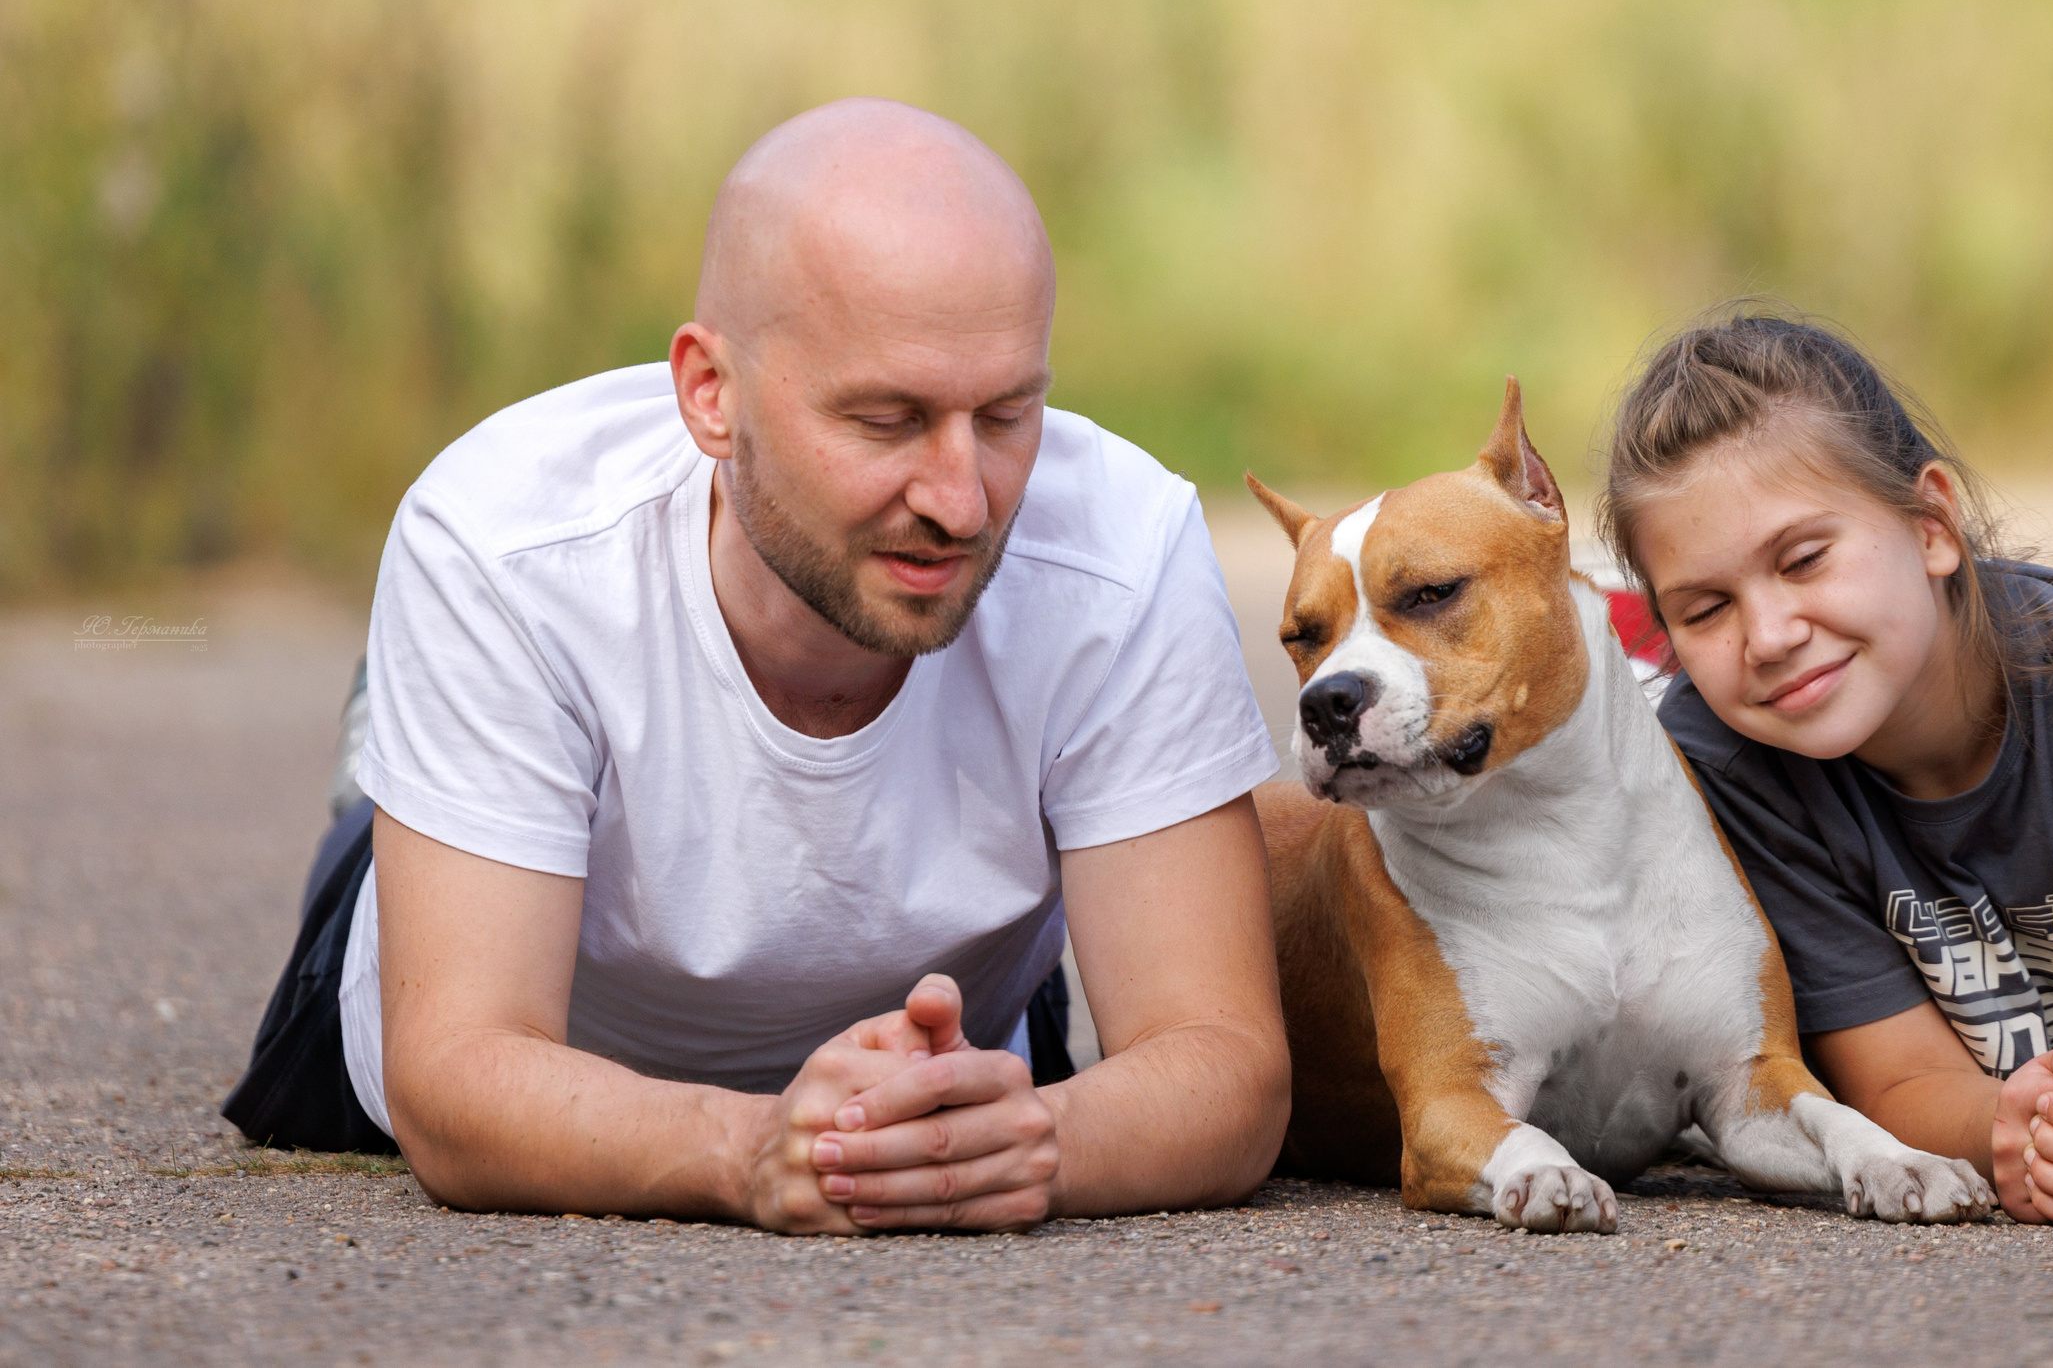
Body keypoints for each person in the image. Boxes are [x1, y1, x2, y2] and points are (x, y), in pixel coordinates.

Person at [223, 99, 1291, 1233]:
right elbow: (456, 1077)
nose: (962, 499)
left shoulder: (1121, 552)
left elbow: (1223, 1065)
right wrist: (745, 1152)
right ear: (709, 396)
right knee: (395, 837)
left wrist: (1034, 1143)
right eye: (887, 419)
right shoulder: (502, 541)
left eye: (1006, 414)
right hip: (521, 1008)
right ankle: (408, 747)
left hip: (933, 1036)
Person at [1596, 310, 2053, 1226]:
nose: (1770, 636)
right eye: (1705, 610)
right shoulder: (1721, 759)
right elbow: (1901, 1080)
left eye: (1805, 559)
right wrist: (2016, 1127)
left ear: (1933, 525)